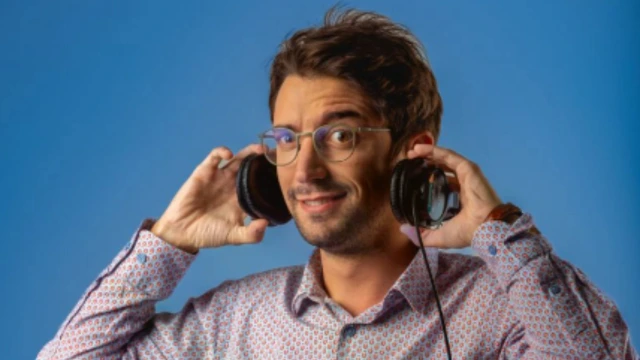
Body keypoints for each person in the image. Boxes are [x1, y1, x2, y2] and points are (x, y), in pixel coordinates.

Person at [38, 8, 636, 360]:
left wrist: (499, 231)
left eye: (340, 136)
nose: (305, 170)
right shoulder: (233, 322)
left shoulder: (500, 308)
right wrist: (169, 242)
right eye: (288, 139)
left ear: (414, 152)